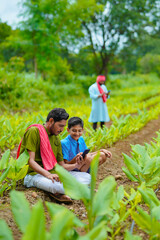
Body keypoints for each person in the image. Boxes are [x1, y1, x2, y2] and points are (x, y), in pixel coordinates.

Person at [17, 108, 91, 203]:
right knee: (56, 185)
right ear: (51, 121)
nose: (62, 130)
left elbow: (61, 166)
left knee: (86, 177)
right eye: (60, 126)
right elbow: (30, 161)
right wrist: (48, 174)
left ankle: (62, 192)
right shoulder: (34, 132)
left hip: (54, 172)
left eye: (63, 126)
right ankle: (62, 192)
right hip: (34, 175)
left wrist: (76, 165)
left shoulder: (56, 138)